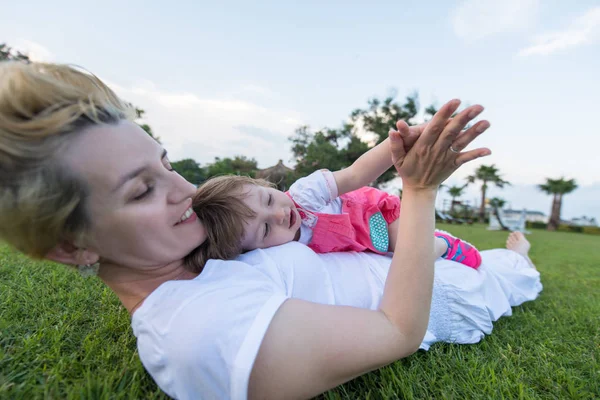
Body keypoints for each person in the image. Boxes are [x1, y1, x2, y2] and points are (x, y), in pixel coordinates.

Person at [0, 62, 541, 400]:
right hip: (445, 295)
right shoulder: (199, 334)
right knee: (511, 275)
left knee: (493, 259)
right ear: (73, 245)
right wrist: (419, 191)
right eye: (141, 190)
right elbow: (397, 333)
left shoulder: (191, 249)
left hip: (410, 261)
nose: (186, 190)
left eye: (165, 164)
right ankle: (520, 254)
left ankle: (511, 250)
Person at [187, 142, 483, 273]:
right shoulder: (277, 256)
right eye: (265, 228)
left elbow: (356, 173)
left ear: (265, 187)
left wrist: (397, 146)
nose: (280, 214)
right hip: (365, 242)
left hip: (374, 214)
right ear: (254, 250)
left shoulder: (303, 194)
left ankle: (443, 245)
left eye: (267, 200)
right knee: (395, 252)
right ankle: (433, 240)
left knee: (411, 253)